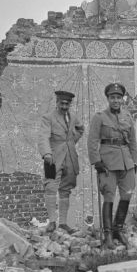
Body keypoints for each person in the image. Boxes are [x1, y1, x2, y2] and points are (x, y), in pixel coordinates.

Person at [87, 82, 137, 249]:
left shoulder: (127, 117)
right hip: (108, 163)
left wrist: (135, 162)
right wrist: (96, 162)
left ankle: (118, 230)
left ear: (122, 99)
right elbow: (92, 141)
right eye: (112, 97)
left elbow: (132, 142)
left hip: (126, 162)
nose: (116, 100)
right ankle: (108, 234)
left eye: (118, 97)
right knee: (109, 196)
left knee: (126, 195)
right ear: (108, 99)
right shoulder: (100, 117)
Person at [37, 90, 84, 234]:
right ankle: (52, 222)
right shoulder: (48, 118)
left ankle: (63, 223)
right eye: (62, 103)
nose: (64, 106)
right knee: (50, 187)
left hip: (70, 158)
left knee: (66, 189)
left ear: (70, 104)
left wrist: (71, 142)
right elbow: (43, 136)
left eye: (67, 104)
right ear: (57, 102)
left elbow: (81, 129)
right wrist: (46, 153)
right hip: (53, 158)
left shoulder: (73, 117)